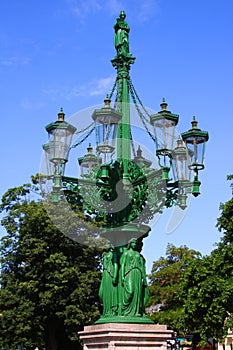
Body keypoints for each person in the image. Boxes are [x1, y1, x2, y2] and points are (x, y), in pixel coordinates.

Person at [120, 238, 149, 316]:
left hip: (138, 273)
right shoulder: (126, 253)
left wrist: (144, 278)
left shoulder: (138, 254)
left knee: (137, 292)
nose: (135, 244)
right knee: (130, 291)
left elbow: (142, 267)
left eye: (136, 243)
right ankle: (125, 310)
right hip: (129, 273)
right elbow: (123, 265)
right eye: (133, 243)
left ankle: (136, 311)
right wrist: (122, 276)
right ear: (130, 244)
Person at [98, 243, 118, 317]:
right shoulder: (105, 255)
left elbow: (116, 265)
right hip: (105, 275)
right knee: (101, 293)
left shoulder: (114, 254)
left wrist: (115, 276)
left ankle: (111, 311)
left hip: (110, 275)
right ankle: (106, 311)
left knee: (110, 292)